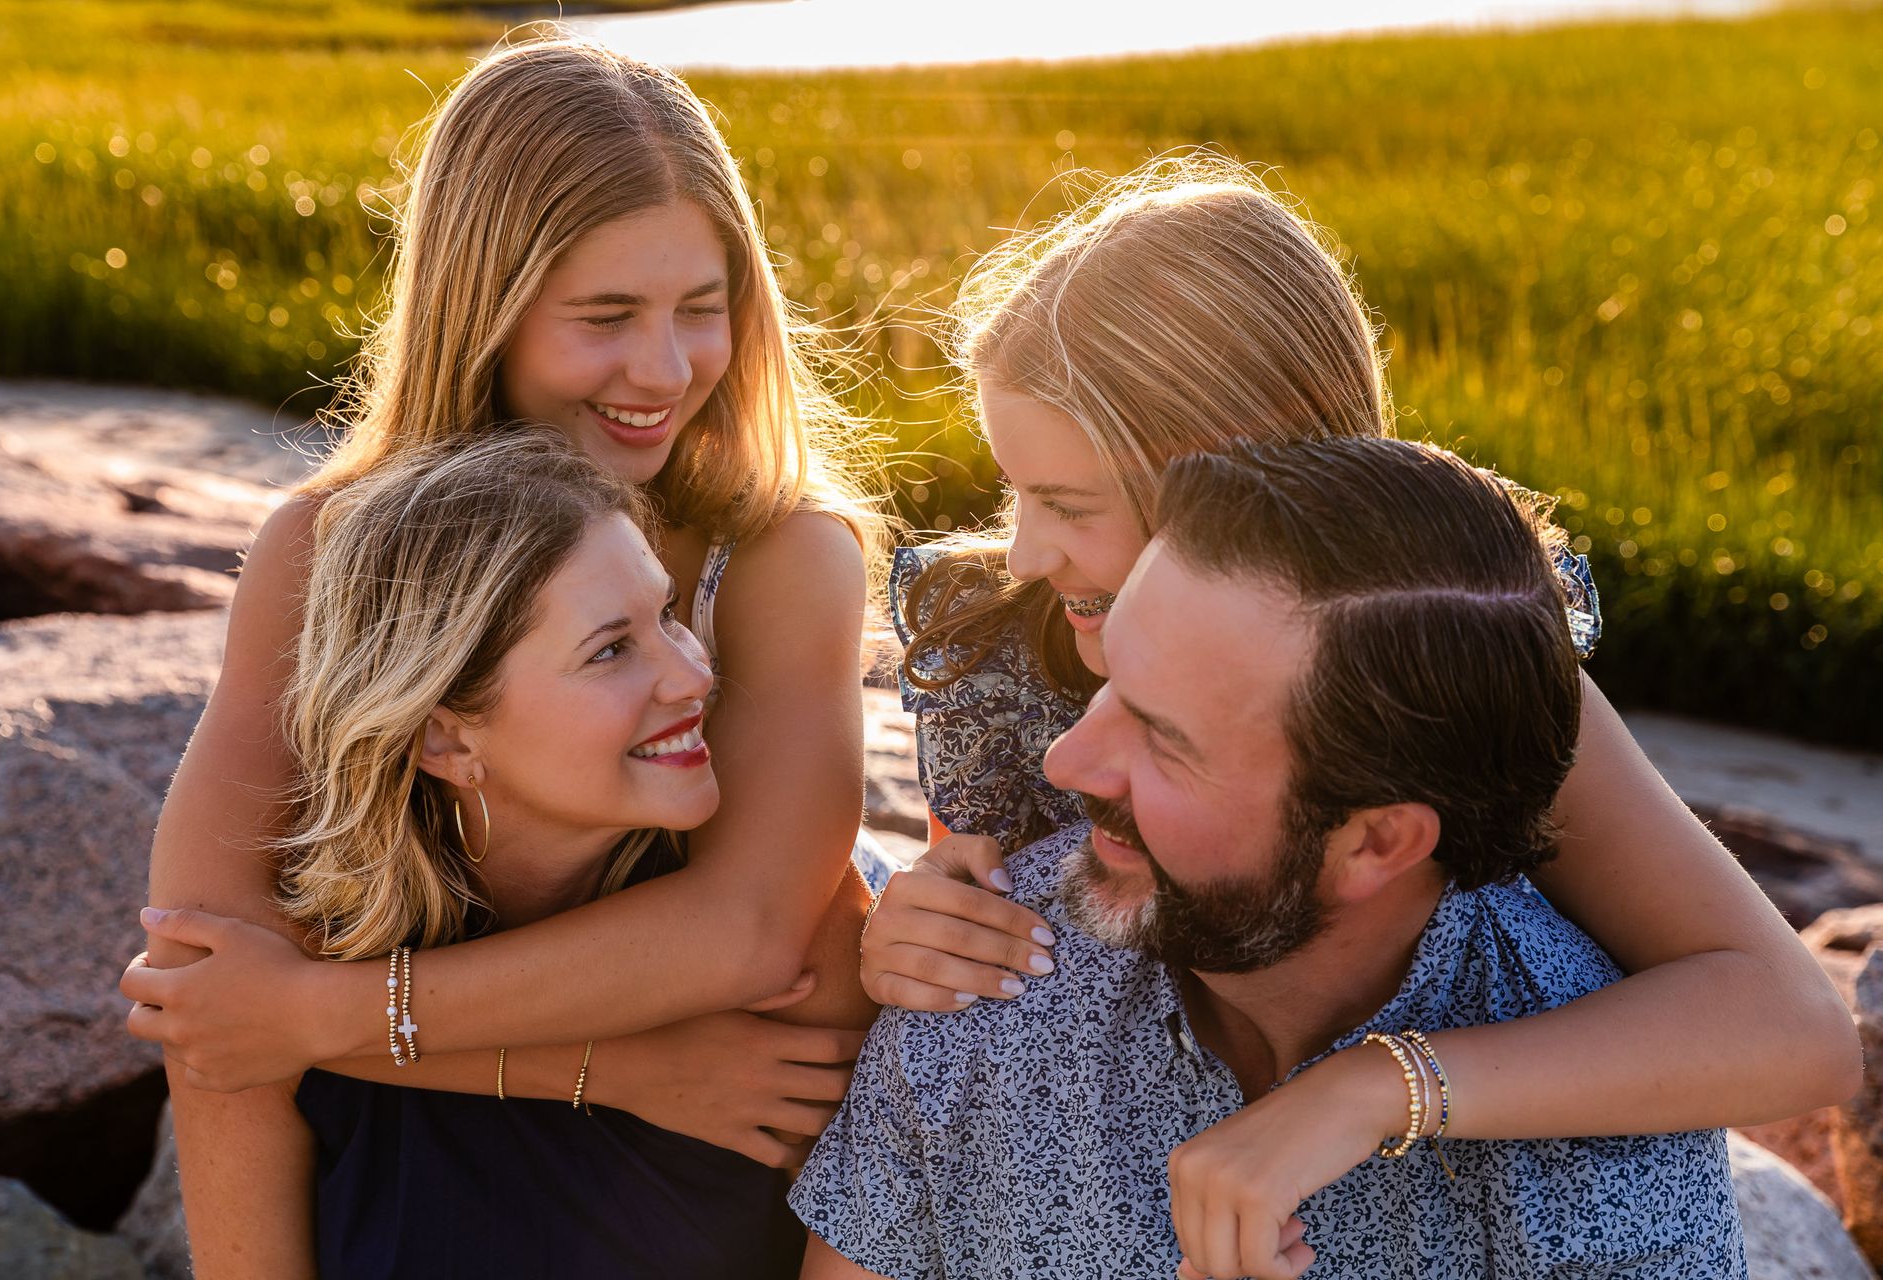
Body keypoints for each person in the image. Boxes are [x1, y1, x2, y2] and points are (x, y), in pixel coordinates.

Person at [853, 156, 1856, 1274]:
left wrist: (1376, 1084)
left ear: (1238, 487)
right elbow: (965, 942)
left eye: (1067, 504)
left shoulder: (1436, 670)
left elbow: (1793, 1029)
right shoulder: (1005, 648)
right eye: (1012, 491)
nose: (1025, 550)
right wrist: (903, 935)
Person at [117, 35, 886, 1277]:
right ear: (484, 304)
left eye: (702, 308)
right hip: (427, 1149)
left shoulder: (777, 554)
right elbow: (209, 991)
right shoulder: (327, 549)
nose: (665, 369)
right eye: (605, 316)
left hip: (694, 1182)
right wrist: (611, 1066)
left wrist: (318, 1010)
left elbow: (747, 929)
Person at [796, 435, 1748, 1279]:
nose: (1066, 763)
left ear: (1375, 841)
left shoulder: (1604, 1162)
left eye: (1166, 741)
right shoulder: (986, 971)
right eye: (1110, 683)